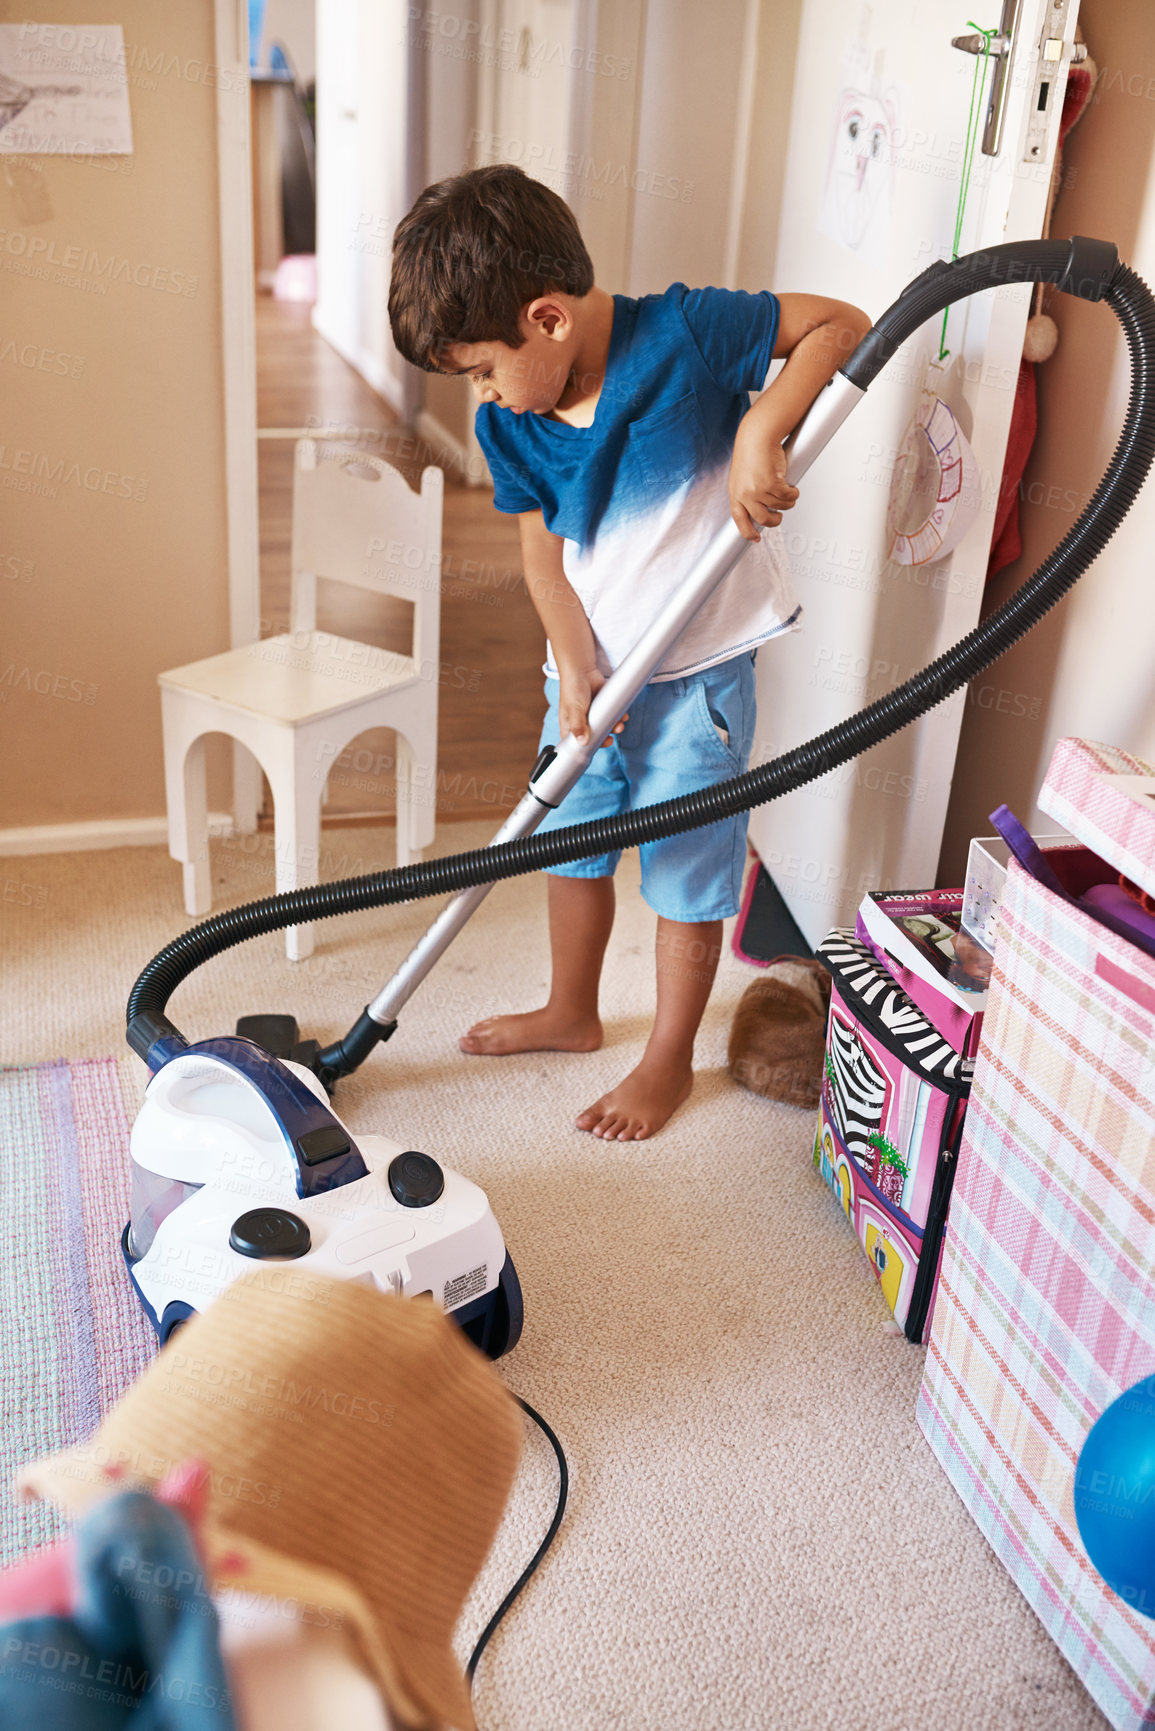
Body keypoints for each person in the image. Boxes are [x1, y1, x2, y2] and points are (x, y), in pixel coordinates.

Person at [389, 164, 871, 1141]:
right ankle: (572, 1012)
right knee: (573, 854)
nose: (483, 394)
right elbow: (541, 554)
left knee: (688, 873)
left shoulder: (689, 335)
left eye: (482, 366)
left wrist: (761, 431)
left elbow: (842, 325)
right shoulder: (510, 422)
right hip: (586, 680)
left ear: (549, 320)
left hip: (697, 682)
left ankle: (666, 1059)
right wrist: (569, 655)